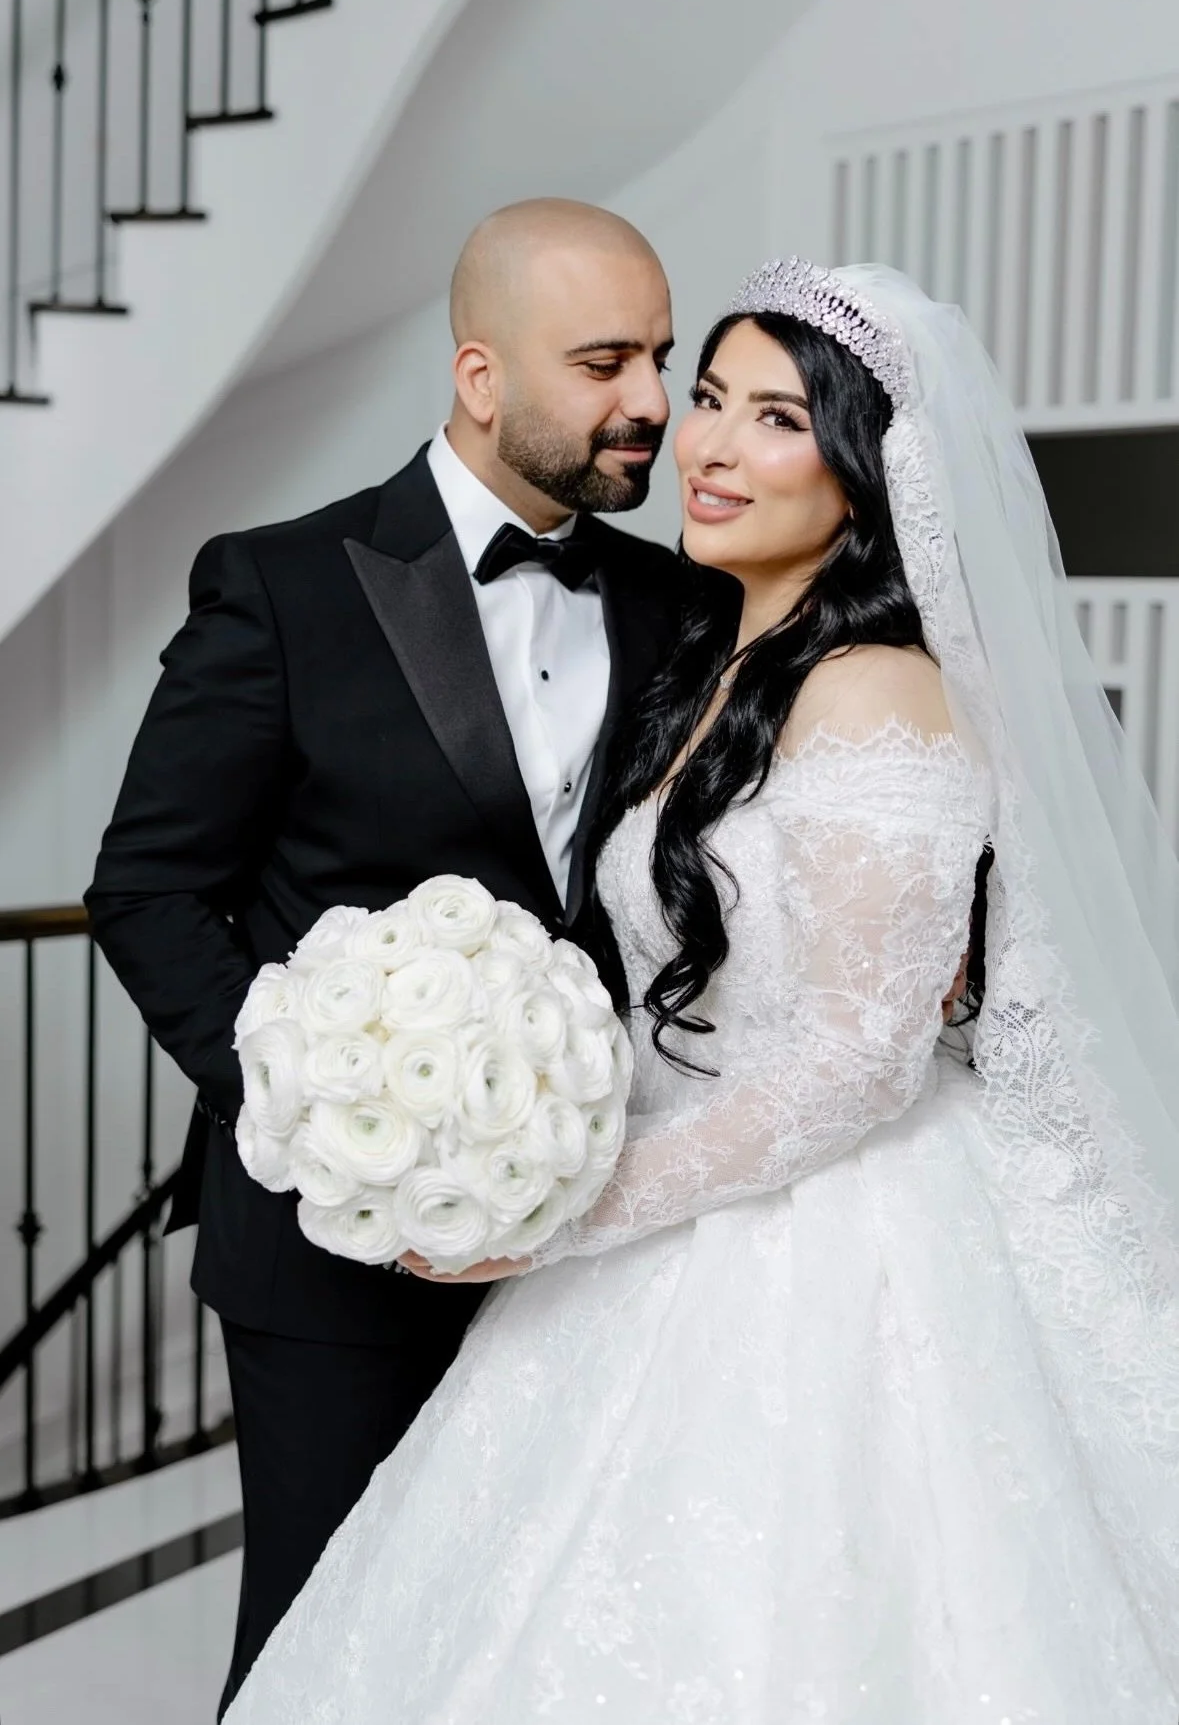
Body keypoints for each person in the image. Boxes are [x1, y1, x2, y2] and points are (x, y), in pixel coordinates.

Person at [226, 259, 1179, 1723]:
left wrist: (570, 1213)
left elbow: (859, 1062)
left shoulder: (876, 689)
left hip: (832, 1236)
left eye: (776, 418)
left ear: (862, 475)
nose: (710, 446)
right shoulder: (718, 660)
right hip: (677, 1174)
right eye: (711, 400)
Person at [84, 198, 683, 1718]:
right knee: (329, 1640)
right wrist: (328, 1124)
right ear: (480, 377)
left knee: (538, 1637)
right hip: (328, 1251)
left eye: (662, 359)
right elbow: (150, 887)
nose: (652, 405)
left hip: (594, 1247)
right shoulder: (281, 586)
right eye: (605, 360)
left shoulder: (686, 607)